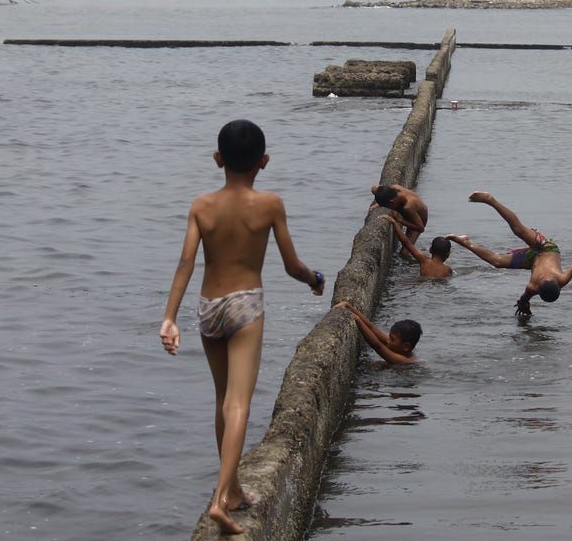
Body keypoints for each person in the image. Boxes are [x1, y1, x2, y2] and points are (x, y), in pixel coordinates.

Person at [159, 119, 325, 535]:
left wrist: (169, 317)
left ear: (218, 159)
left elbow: (185, 263)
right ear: (264, 162)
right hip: (246, 305)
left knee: (222, 400)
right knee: (240, 403)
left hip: (208, 307)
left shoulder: (201, 205)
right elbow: (291, 265)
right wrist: (314, 280)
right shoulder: (269, 204)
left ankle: (231, 488)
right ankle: (220, 500)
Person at [447, 190, 572, 318]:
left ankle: (465, 242)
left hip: (532, 259)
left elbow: (524, 299)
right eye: (549, 277)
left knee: (497, 262)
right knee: (518, 230)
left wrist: (524, 306)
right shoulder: (562, 278)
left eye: (543, 279)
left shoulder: (532, 287)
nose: (545, 275)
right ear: (556, 282)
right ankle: (490, 199)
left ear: (539, 287)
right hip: (546, 248)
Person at [332, 301, 422, 364]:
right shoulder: (398, 345)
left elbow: (377, 346)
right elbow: (372, 327)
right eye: (389, 337)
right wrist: (349, 306)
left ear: (406, 347)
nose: (388, 340)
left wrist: (357, 320)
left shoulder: (403, 361)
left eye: (392, 339)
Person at [380, 214, 452, 278]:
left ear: (430, 249)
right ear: (448, 254)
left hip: (423, 285)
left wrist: (394, 222)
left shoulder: (424, 260)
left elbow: (406, 242)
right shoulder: (448, 270)